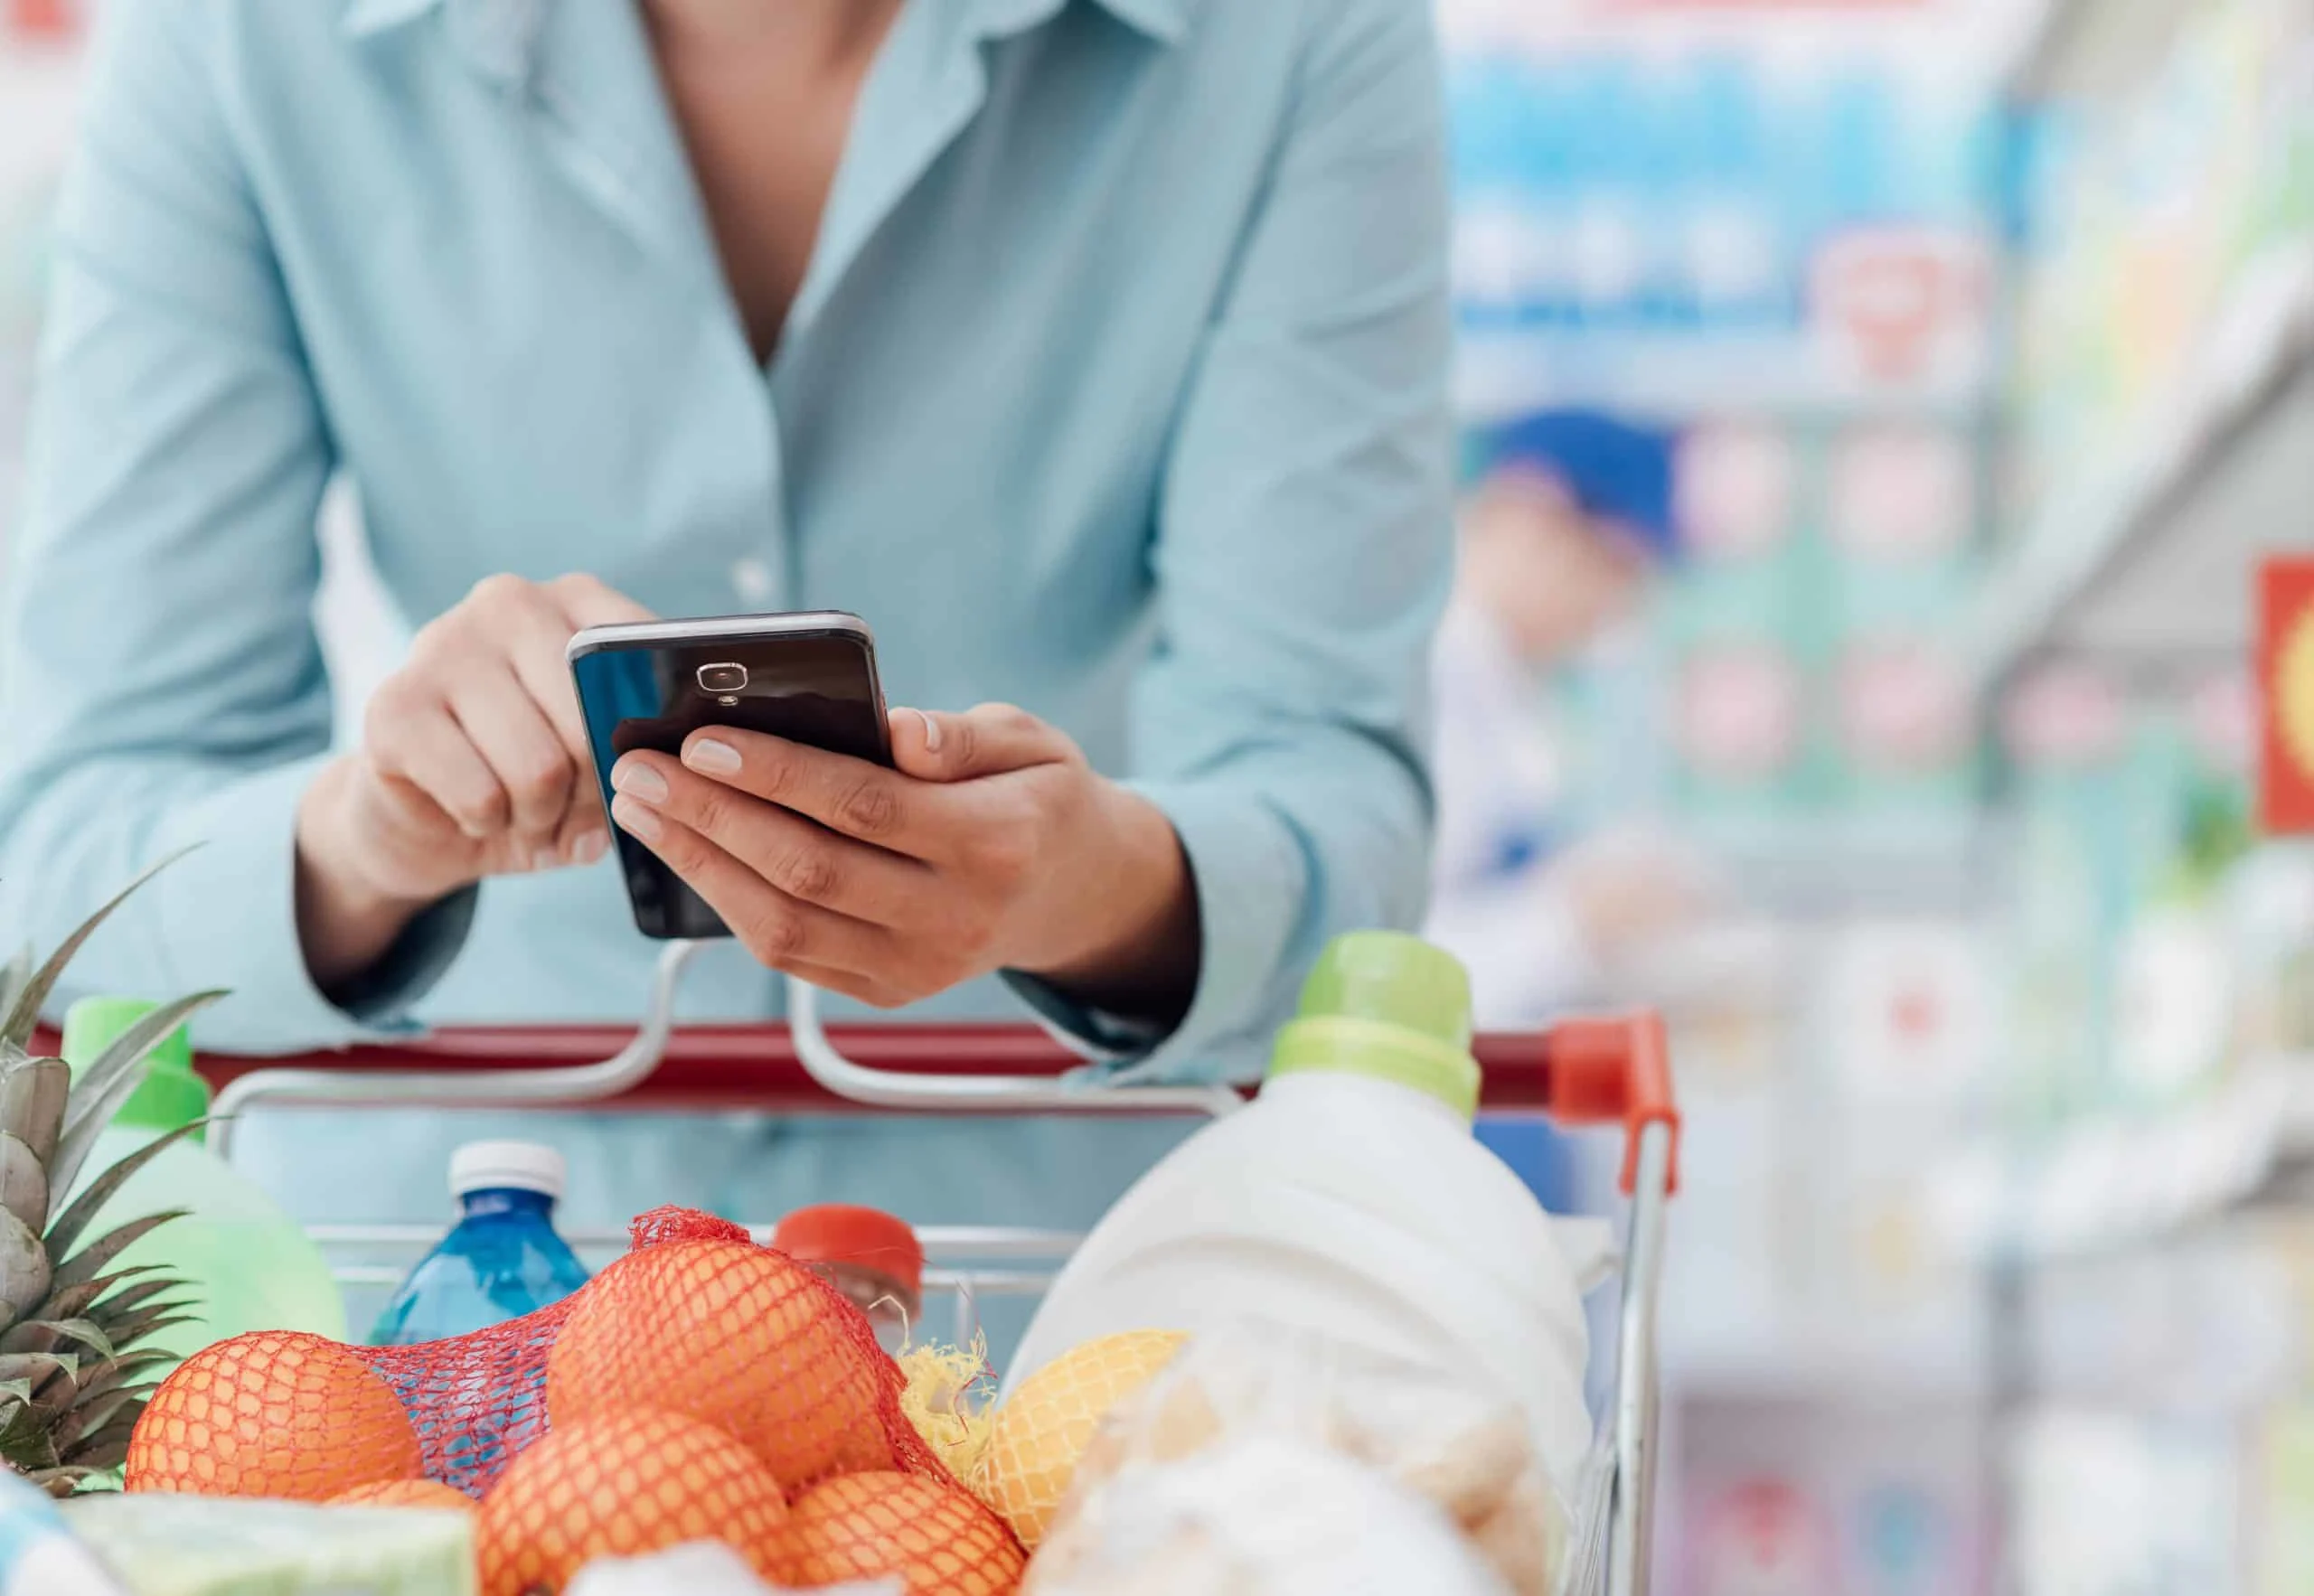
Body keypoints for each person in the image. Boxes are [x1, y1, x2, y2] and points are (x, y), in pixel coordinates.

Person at [0, 0, 1453, 1341]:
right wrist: (366, 839)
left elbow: (1333, 799)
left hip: (1048, 1338)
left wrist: (1087, 886)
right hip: (451, 1345)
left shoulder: (1292, 37)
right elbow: (75, 842)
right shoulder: (239, 37)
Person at [1424, 410, 1712, 1030]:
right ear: (1534, 518)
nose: (1618, 611)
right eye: (1616, 570)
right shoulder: (1421, 681)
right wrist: (1573, 920)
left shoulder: (1505, 693)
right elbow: (1374, 970)